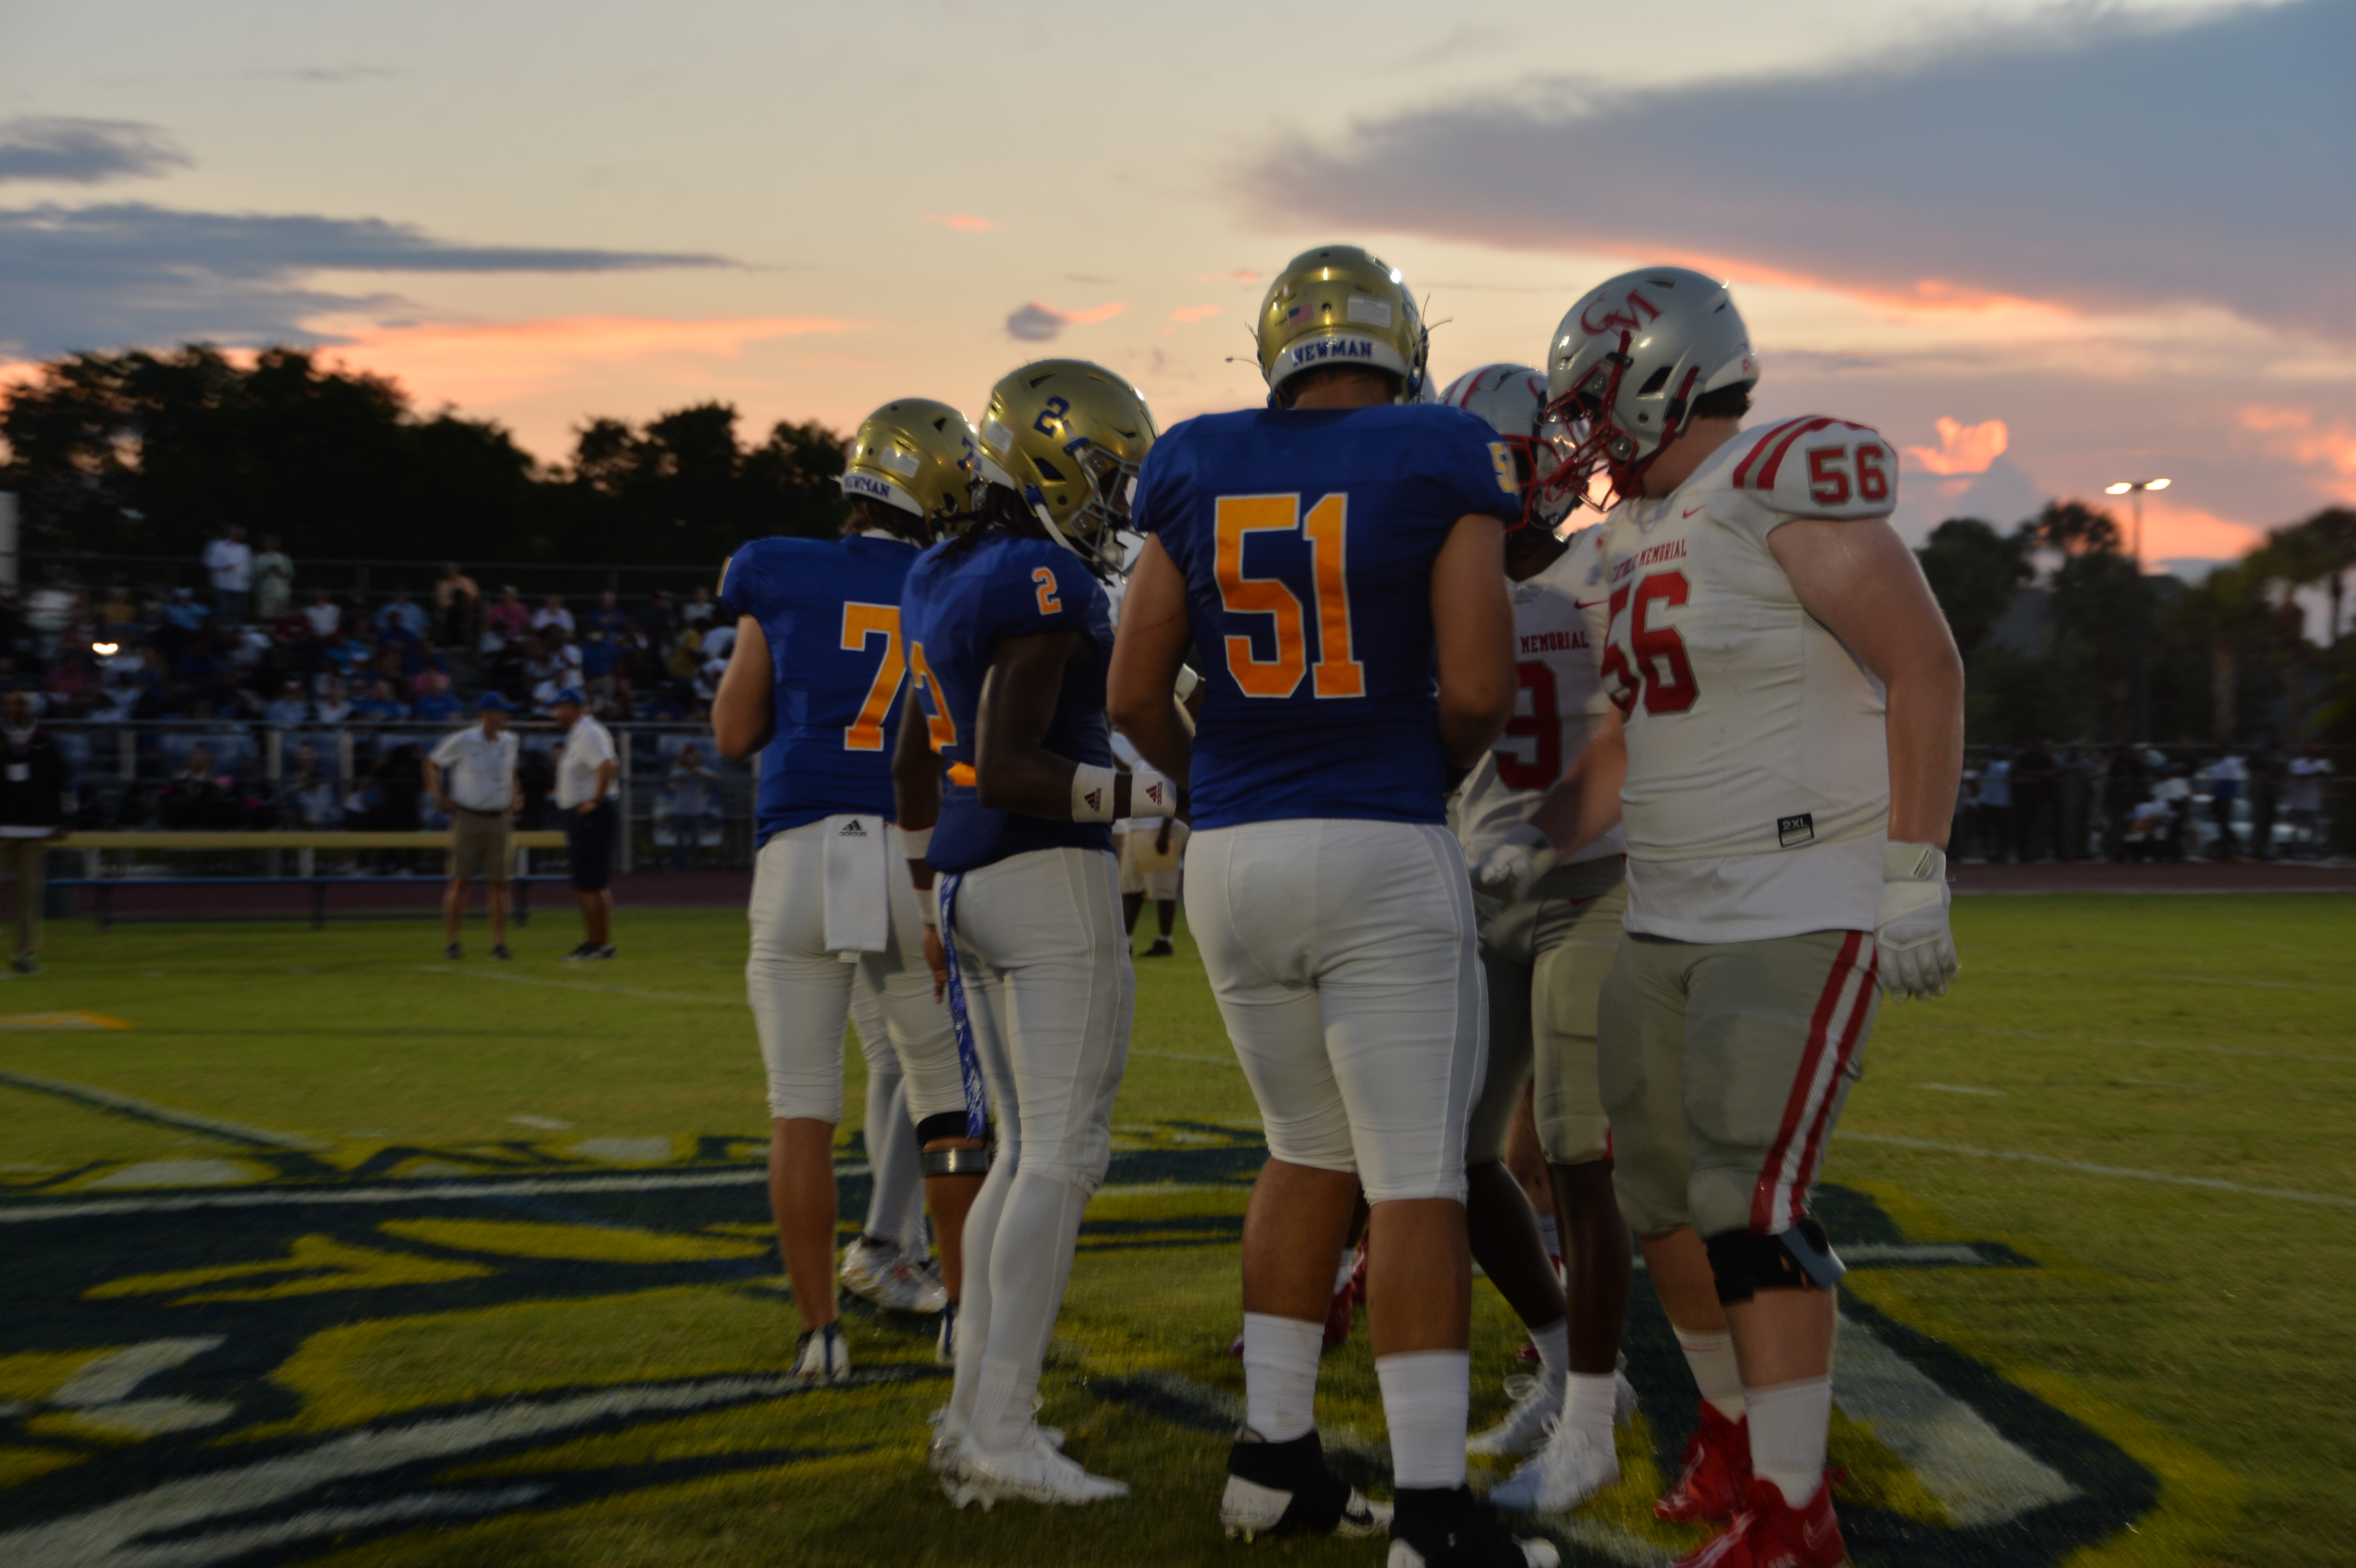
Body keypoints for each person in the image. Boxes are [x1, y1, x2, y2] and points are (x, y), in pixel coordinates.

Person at [1504, 267, 1963, 1568]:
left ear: (1660, 379)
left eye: (1592, 404)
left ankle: (1795, 1508)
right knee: (1657, 1193)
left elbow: (1926, 662)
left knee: (1750, 1198)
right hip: (1666, 904)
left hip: (1796, 895)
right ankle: (1729, 1427)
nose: (1580, 436)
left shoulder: (1777, 479)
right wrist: (1527, 842)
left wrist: (1915, 869)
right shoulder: (1633, 537)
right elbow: (1619, 743)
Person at [1110, 247, 1547, 1568]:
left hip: (1235, 855)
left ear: (1275, 350)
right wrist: (1424, 772)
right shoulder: (1441, 447)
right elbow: (1480, 687)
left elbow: (1133, 693)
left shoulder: (1193, 459)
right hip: (1378, 838)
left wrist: (1222, 786)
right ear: (1402, 344)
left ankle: (1274, 1461)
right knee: (1414, 1178)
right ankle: (1433, 1514)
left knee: (1304, 1151)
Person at [897, 360, 1162, 1510]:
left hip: (969, 880)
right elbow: (1010, 764)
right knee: (1060, 1154)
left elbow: (919, 755)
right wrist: (1152, 795)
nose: (1116, 500)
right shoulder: (1043, 576)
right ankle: (1000, 1425)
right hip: (1045, 873)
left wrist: (925, 891)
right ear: (1056, 459)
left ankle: (975, 1413)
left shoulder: (939, 568)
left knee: (1020, 1151)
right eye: (1108, 474)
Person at [712, 397, 985, 1384]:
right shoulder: (961, 579)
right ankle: (962, 1316)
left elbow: (734, 731)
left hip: (803, 851)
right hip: (908, 855)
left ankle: (819, 1335)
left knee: (801, 1107)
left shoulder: (778, 567)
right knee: (946, 1103)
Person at [1430, 364, 1635, 1514]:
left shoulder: (1605, 566)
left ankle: (1592, 1423)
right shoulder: (1441, 585)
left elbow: (1639, 730)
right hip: (1480, 887)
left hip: (1591, 880)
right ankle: (1564, 1366)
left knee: (1575, 1149)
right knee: (1460, 1155)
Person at [427, 692, 521, 961]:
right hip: (468, 817)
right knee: (460, 880)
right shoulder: (464, 740)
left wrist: (516, 793)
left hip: (499, 818)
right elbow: (433, 763)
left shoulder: (510, 741)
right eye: (502, 713)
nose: (506, 717)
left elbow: (510, 771)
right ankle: (453, 942)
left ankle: (499, 943)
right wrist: (438, 796)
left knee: (500, 883)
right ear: (486, 715)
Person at [0, 691, 74, 975]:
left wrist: (65, 819)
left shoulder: (45, 742)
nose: (17, 709)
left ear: (31, 709)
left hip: (35, 831)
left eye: (21, 704)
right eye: (12, 704)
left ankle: (24, 955)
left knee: (29, 898)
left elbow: (63, 781)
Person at [550, 688, 619, 959]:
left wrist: (595, 800)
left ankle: (595, 942)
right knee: (595, 883)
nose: (555, 714)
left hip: (591, 815)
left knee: (589, 883)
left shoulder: (587, 732)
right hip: (589, 814)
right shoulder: (581, 733)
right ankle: (602, 943)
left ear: (571, 708)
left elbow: (607, 765)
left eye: (558, 708)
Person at [1110, 730, 1186, 956]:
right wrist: (1109, 749)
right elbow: (1129, 775)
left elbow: (1176, 791)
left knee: (1162, 886)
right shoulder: (1145, 760)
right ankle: (1127, 942)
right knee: (1131, 888)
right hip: (1136, 829)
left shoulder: (1167, 759)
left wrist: (1165, 832)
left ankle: (1165, 941)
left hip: (1156, 829)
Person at [2284, 744, 2331, 858]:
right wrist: (2313, 775)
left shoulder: (2323, 763)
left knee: (2314, 828)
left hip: (2314, 802)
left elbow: (2329, 776)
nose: (2315, 755)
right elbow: (2295, 776)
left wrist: (2322, 775)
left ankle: (2312, 852)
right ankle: (2296, 851)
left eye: (2317, 753)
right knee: (2297, 828)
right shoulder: (2298, 763)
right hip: (2298, 801)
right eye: (2312, 753)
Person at [204, 524, 252, 626]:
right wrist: (224, 567)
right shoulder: (218, 546)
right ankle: (225, 631)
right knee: (224, 610)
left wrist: (249, 583)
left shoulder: (245, 549)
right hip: (223, 585)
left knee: (240, 612)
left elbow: (248, 567)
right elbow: (211, 563)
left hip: (241, 586)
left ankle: (238, 630)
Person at [435, 563, 480, 646]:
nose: (450, 572)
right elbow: (439, 602)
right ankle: (447, 644)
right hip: (447, 614)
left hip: (464, 613)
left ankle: (466, 644)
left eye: (452, 570)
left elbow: (474, 598)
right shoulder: (442, 584)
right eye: (448, 570)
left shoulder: (466, 582)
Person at [252, 535, 294, 622]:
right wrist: (268, 570)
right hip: (265, 593)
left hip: (282, 593)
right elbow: (256, 577)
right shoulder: (259, 558)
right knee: (266, 618)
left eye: (273, 542)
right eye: (268, 542)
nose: (270, 544)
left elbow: (290, 575)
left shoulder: (284, 558)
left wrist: (279, 571)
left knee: (282, 618)